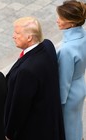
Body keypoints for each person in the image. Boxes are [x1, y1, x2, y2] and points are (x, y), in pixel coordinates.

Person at [4, 17, 65, 140]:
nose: (13, 36)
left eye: (17, 33)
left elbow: (20, 106)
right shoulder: (48, 45)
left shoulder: (26, 71)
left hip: (34, 128)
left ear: (29, 38)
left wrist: (9, 132)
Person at [56, 1, 86, 140]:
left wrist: (57, 105)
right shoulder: (83, 36)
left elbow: (64, 81)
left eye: (61, 18)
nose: (57, 20)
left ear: (72, 23)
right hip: (79, 86)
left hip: (69, 94)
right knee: (75, 124)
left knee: (68, 130)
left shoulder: (67, 49)